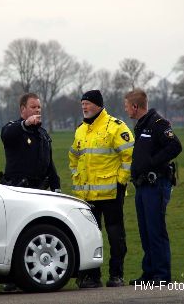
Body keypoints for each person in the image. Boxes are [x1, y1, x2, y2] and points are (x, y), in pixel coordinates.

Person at [69, 90, 134, 288]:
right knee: (89, 236)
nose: (84, 107)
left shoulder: (115, 127)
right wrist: (76, 176)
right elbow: (73, 157)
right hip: (87, 195)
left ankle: (116, 275)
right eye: (82, 104)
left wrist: (121, 181)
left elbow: (129, 155)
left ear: (98, 105)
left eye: (87, 103)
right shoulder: (80, 129)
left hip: (111, 193)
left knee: (115, 236)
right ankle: (92, 276)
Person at [0, 92, 61, 291]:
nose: (37, 111)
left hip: (39, 192)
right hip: (18, 191)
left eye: (39, 108)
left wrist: (56, 186)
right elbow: (7, 135)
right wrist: (25, 125)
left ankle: (33, 276)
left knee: (37, 236)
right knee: (17, 237)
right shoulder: (14, 129)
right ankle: (11, 280)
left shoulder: (43, 134)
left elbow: (49, 163)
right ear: (23, 110)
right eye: (33, 107)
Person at [124, 88, 182, 286]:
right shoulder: (141, 125)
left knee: (156, 230)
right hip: (142, 186)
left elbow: (175, 146)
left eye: (126, 106)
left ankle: (162, 275)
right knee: (145, 231)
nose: (126, 111)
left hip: (155, 184)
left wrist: (152, 162)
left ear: (135, 106)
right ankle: (149, 273)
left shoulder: (158, 123)